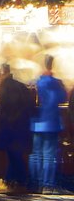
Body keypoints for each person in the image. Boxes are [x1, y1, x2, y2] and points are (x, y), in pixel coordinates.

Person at [0, 63, 35, 195]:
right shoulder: (22, 88)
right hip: (21, 125)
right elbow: (31, 106)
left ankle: (17, 182)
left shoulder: (5, 87)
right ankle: (12, 182)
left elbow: (3, 107)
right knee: (15, 154)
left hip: (9, 126)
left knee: (14, 155)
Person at [34, 56, 66, 193]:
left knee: (36, 155)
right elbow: (63, 97)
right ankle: (48, 185)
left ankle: (37, 183)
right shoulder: (55, 83)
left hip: (36, 122)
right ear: (51, 65)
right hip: (51, 122)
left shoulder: (36, 82)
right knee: (48, 155)